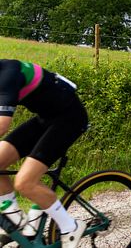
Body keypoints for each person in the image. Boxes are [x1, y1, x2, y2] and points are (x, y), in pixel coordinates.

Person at [0, 60, 88, 247]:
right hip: (45, 118)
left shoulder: (8, 75)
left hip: (69, 118)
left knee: (24, 182)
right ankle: (15, 218)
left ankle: (70, 226)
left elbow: (2, 125)